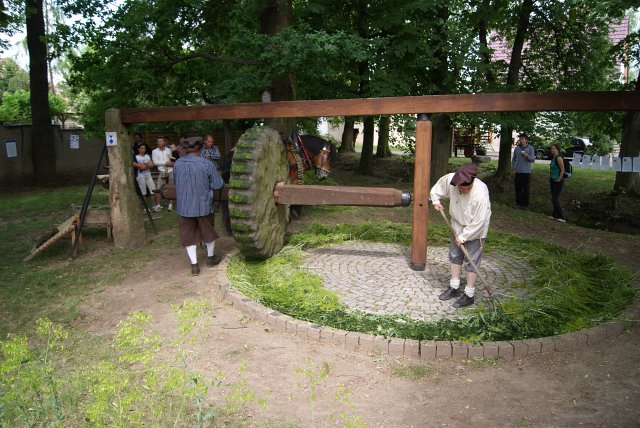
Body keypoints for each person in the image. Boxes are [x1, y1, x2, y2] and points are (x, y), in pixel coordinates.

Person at [430, 163, 492, 308]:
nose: (463, 190)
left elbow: (480, 221)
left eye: (467, 188)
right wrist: (436, 201)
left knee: (471, 260)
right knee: (455, 255)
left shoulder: (480, 193)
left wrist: (464, 237)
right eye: (461, 188)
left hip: (475, 230)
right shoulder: (452, 180)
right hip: (457, 224)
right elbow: (437, 188)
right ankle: (454, 287)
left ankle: (469, 294)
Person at [174, 136, 225, 275]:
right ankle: (210, 258)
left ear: (185, 149)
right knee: (208, 232)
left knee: (188, 235)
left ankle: (194, 266)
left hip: (184, 207)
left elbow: (175, 181)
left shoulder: (177, 164)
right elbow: (217, 184)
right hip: (203, 205)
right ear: (201, 148)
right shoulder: (207, 164)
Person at [511, 132, 535, 210]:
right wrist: (513, 168)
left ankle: (525, 205)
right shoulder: (517, 148)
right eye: (520, 139)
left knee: (526, 189)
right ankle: (518, 203)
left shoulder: (530, 148)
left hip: (527, 172)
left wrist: (527, 156)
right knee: (518, 188)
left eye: (522, 139)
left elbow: (533, 159)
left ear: (526, 140)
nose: (521, 140)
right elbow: (514, 159)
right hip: (518, 171)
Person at [151, 136, 174, 212]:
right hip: (161, 171)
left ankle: (170, 205)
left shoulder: (168, 150)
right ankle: (158, 205)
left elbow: (171, 159)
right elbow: (155, 162)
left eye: (161, 141)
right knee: (158, 188)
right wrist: (165, 163)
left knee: (171, 187)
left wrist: (170, 163)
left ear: (164, 142)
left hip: (170, 170)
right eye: (158, 141)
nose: (159, 142)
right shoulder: (154, 151)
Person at [548, 143, 566, 223]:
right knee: (553, 198)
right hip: (552, 180)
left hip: (558, 181)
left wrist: (559, 179)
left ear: (557, 150)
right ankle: (555, 215)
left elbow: (563, 170)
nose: (552, 150)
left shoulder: (558, 158)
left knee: (555, 199)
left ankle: (562, 216)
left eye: (554, 148)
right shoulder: (553, 157)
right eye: (551, 148)